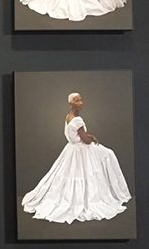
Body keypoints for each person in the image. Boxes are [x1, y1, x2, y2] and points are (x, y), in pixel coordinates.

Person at [21, 92, 130, 223]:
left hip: (71, 149)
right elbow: (85, 140)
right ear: (71, 103)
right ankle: (88, 198)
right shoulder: (78, 120)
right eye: (77, 101)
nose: (81, 103)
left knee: (72, 173)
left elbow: (76, 135)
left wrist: (88, 136)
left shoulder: (68, 116)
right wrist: (92, 138)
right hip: (80, 150)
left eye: (81, 100)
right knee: (107, 155)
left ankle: (76, 198)